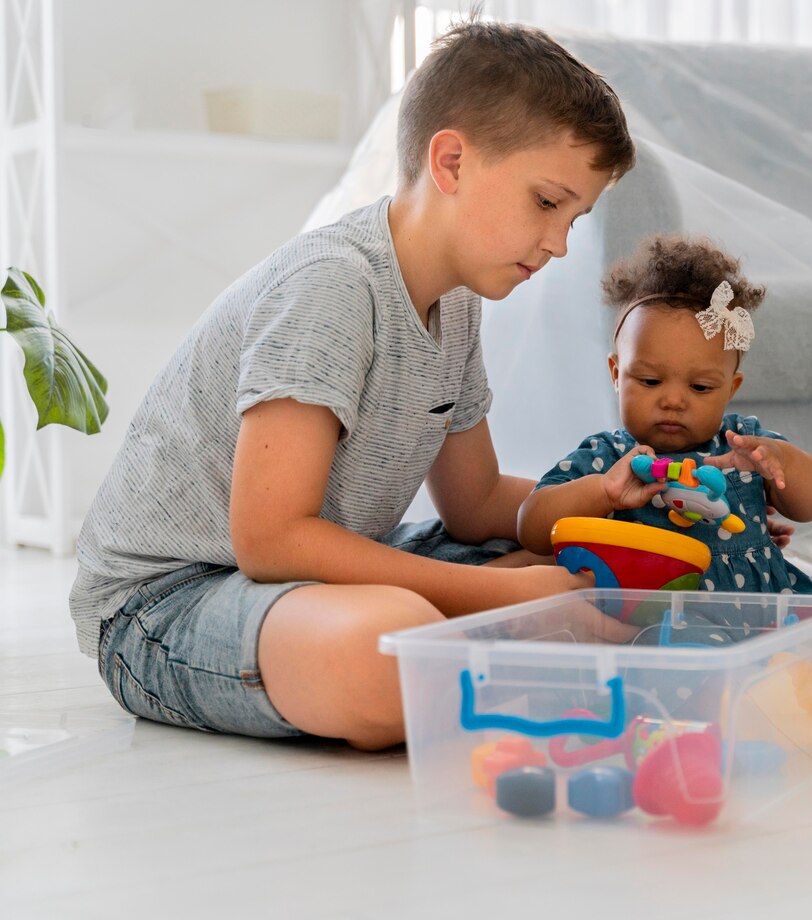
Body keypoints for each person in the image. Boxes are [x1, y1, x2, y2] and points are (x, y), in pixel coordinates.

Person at [68, 20, 636, 750]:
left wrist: (601, 502)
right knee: (386, 648)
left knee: (575, 561)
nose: (559, 244)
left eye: (574, 218)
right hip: (171, 600)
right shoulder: (335, 286)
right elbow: (270, 539)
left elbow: (476, 505)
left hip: (303, 574)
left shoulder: (458, 302)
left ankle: (495, 649)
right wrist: (501, 592)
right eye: (547, 203)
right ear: (452, 162)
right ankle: (503, 647)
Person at [517, 234, 812, 749]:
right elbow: (532, 522)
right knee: (682, 657)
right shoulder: (609, 456)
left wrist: (781, 463)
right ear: (616, 373)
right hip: (676, 616)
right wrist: (603, 492)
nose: (674, 401)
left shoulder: (743, 443)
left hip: (774, 603)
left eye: (700, 388)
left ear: (731, 388)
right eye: (650, 381)